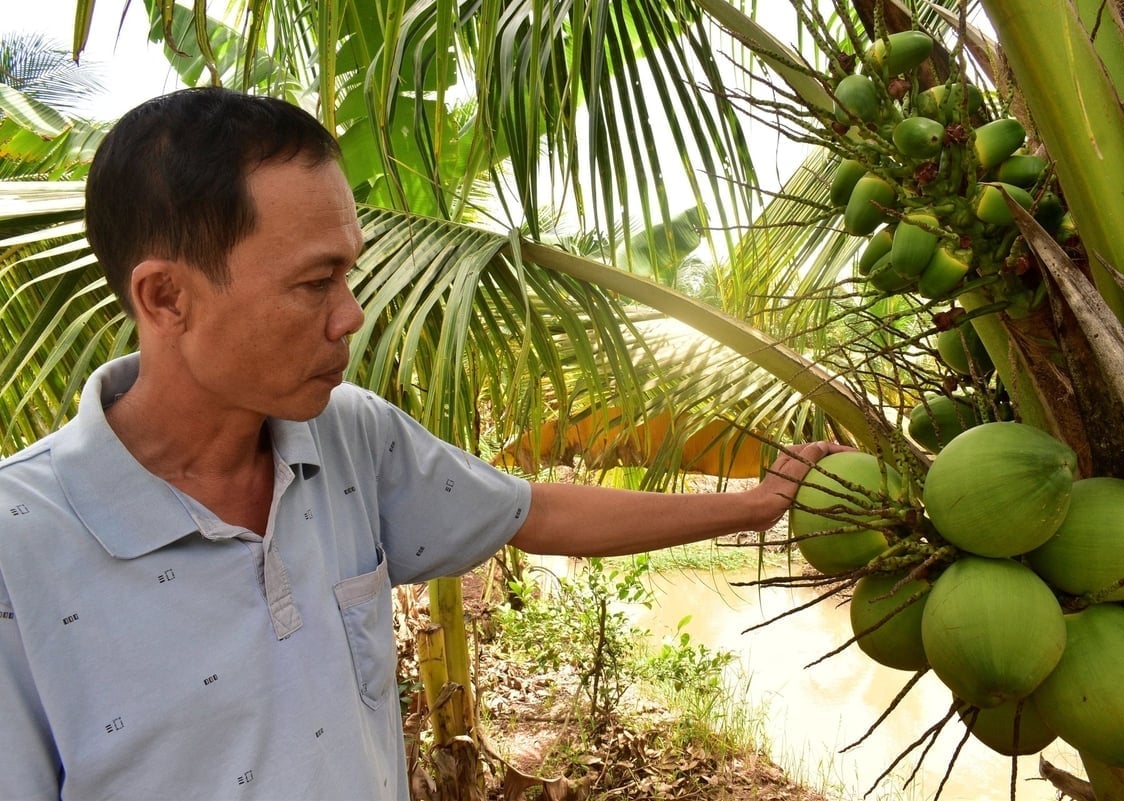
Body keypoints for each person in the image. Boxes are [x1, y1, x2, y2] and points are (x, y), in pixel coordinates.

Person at [0, 87, 845, 801]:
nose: (351, 314)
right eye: (312, 282)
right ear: (166, 297)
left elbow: (534, 510)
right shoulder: (18, 545)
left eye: (349, 272)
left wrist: (758, 504)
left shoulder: (348, 438)